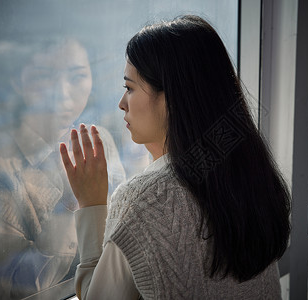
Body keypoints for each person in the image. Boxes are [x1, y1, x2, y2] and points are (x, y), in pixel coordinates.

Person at [61, 15, 291, 299]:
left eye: (130, 88)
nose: (122, 104)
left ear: (171, 97)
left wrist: (92, 205)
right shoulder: (248, 172)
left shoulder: (143, 202)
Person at [0, 37, 125, 299]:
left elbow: (121, 240)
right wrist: (72, 204)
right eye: (44, 77)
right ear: (18, 81)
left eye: (76, 77)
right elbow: (25, 286)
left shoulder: (99, 140)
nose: (62, 93)